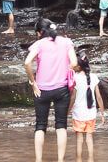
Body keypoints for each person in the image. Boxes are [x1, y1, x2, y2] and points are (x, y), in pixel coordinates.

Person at [24, 18, 77, 162]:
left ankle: (38, 160)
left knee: (40, 125)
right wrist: (65, 70)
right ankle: (60, 160)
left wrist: (33, 82)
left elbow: (27, 62)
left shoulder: (39, 44)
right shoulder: (66, 42)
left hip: (41, 90)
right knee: (61, 125)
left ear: (40, 32)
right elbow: (74, 62)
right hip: (61, 88)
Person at [68, 52, 105, 162]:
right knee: (89, 138)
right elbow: (99, 97)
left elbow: (73, 97)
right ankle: (91, 159)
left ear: (79, 67)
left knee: (79, 139)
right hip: (91, 113)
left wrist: (68, 110)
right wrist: (102, 113)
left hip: (78, 113)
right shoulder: (94, 77)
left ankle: (79, 160)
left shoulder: (75, 78)